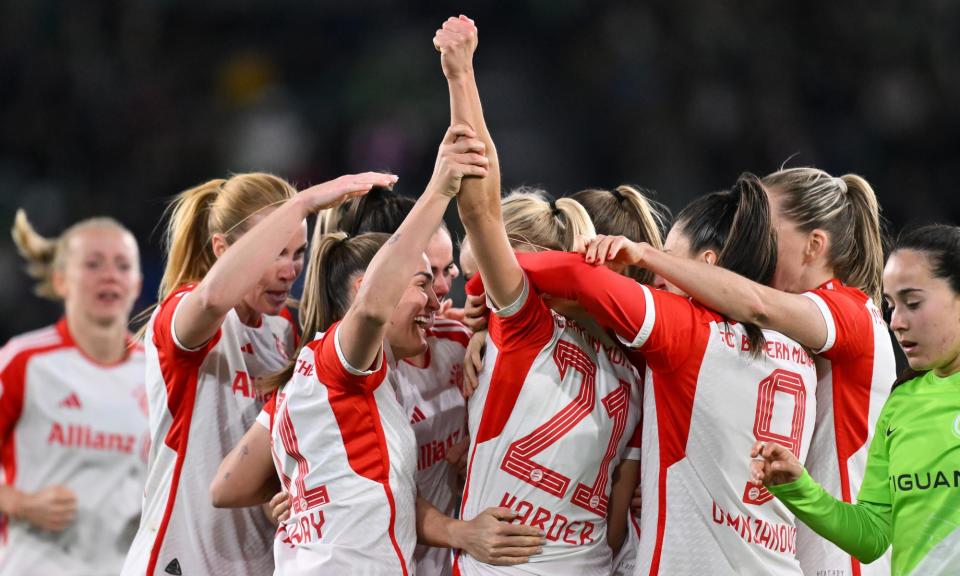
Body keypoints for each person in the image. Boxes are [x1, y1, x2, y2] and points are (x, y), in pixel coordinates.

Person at [589, 167, 896, 575]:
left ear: (813, 246)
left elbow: (754, 303)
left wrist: (649, 257)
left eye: (766, 231)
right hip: (807, 549)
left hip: (840, 559)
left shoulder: (846, 311)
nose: (754, 241)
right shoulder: (795, 331)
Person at [267, 123, 544, 574]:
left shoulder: (350, 376)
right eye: (421, 283)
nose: (438, 299)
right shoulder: (337, 364)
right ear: (363, 288)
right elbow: (375, 308)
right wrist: (440, 187)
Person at [515, 174, 819, 575]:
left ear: (706, 264)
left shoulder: (688, 333)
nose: (658, 274)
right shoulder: (803, 351)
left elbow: (574, 278)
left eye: (669, 256)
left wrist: (485, 274)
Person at [441, 17, 643, 575]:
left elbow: (478, 208)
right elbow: (620, 511)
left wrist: (461, 75)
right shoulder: (635, 359)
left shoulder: (526, 325)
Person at [122, 170, 395, 576]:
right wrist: (301, 204)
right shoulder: (181, 317)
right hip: (180, 562)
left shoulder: (289, 329)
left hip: (262, 564)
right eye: (275, 252)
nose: (290, 270)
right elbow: (214, 298)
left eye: (298, 252)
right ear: (222, 249)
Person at [750, 223, 960, 576]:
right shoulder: (903, 402)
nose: (897, 322)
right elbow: (873, 535)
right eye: (891, 305)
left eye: (913, 302)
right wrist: (799, 488)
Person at [0, 210, 147, 576]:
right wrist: (18, 502)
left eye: (122, 265)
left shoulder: (157, 372)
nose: (110, 274)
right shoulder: (25, 360)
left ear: (138, 283)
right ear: (61, 281)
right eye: (93, 264)